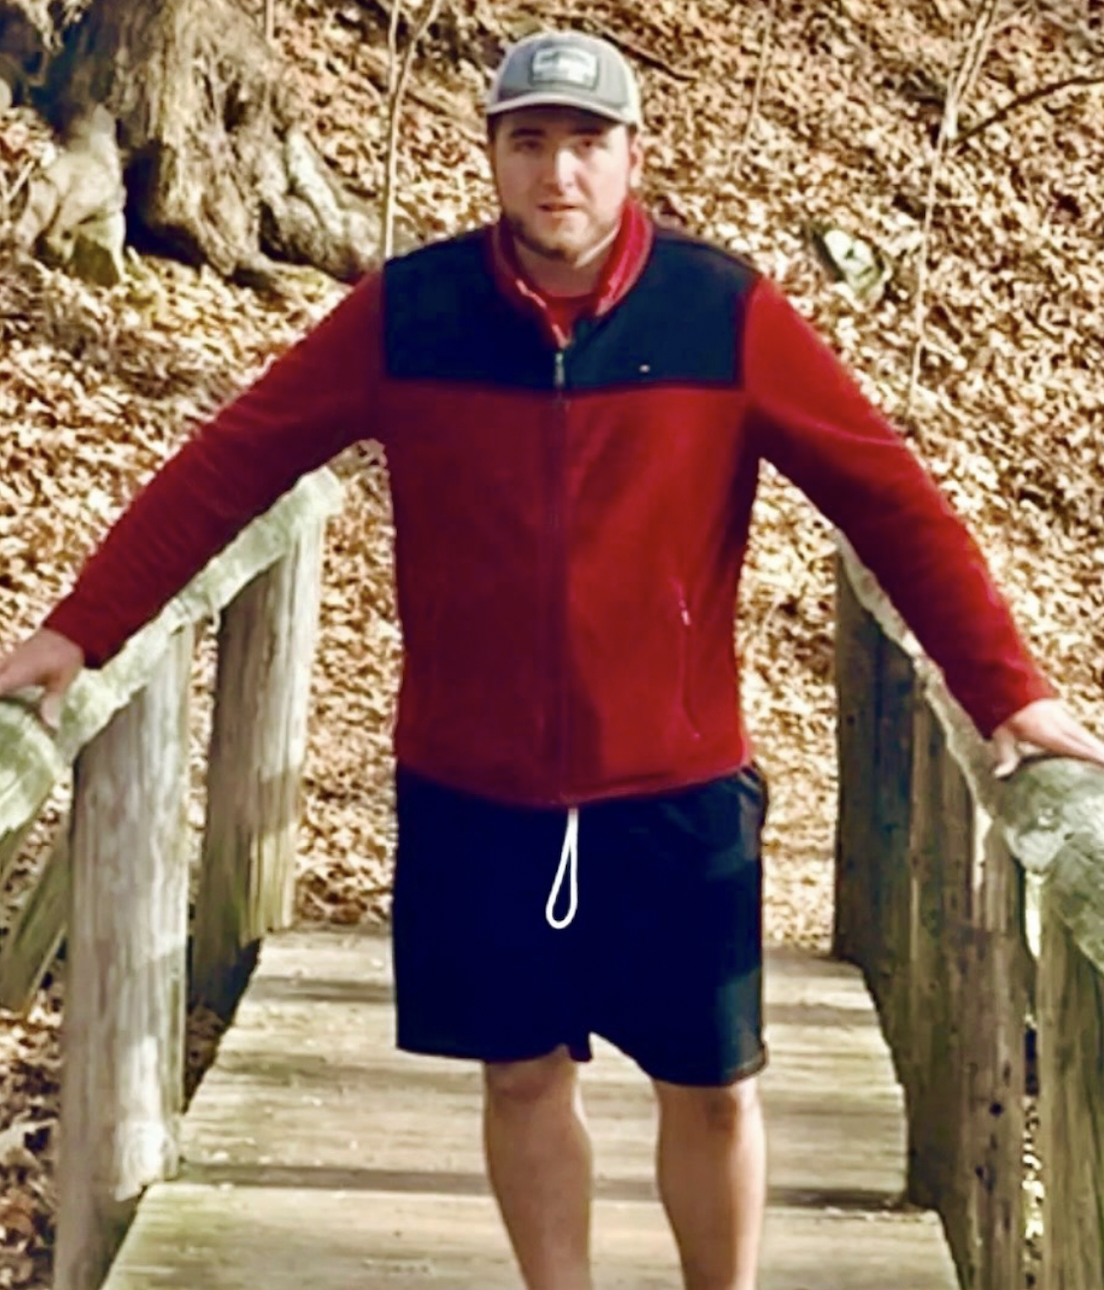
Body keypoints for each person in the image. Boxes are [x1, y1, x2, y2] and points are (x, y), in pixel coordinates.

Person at [2, 29, 1103, 1290]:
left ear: (632, 157)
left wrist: (1006, 687)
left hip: (676, 789)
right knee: (522, 1074)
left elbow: (888, 497)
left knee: (715, 1084)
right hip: (476, 788)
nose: (559, 174)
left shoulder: (723, 312)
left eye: (587, 144)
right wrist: (80, 629)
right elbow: (230, 464)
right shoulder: (410, 313)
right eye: (531, 143)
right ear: (495, 158)